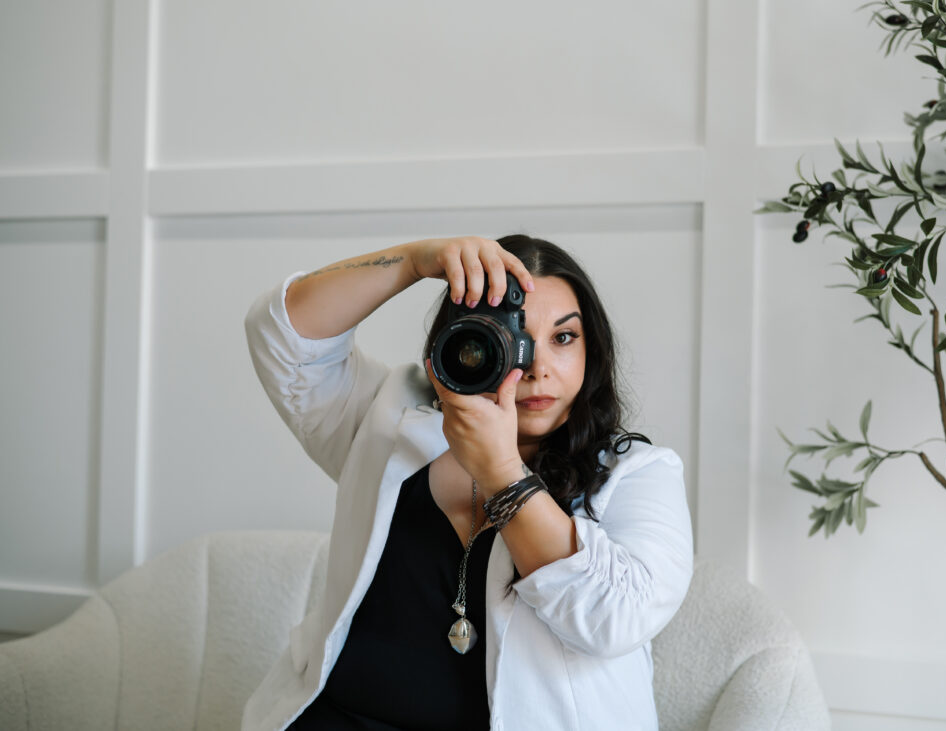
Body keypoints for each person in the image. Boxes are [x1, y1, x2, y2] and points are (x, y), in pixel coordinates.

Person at [241, 234, 693, 731]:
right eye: (513, 339)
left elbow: (617, 619)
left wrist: (502, 473)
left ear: (592, 350)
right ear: (462, 346)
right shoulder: (388, 420)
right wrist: (414, 262)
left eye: (564, 338)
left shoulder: (639, 474)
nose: (538, 369)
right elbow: (283, 336)